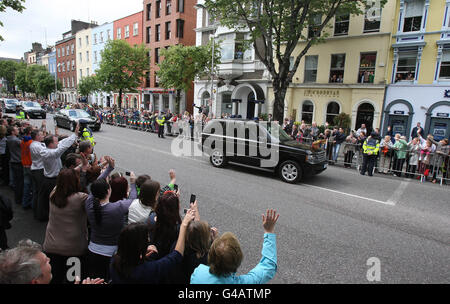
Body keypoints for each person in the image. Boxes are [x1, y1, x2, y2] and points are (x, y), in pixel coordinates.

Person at [190, 209, 279, 284]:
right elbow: (268, 267)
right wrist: (269, 231)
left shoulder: (198, 272)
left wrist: (215, 243)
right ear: (238, 261)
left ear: (210, 255)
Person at [109, 209, 196, 284]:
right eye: (146, 238)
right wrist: (183, 226)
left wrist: (141, 253)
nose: (148, 240)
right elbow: (176, 256)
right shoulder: (147, 271)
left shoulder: (115, 260)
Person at [85, 172, 137, 281]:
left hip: (92, 250)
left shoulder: (89, 203)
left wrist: (109, 169)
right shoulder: (118, 207)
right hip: (111, 254)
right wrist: (133, 183)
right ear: (108, 191)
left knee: (94, 280)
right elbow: (133, 199)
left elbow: (95, 184)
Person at [43, 168, 89, 284]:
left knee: (54, 278)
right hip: (74, 250)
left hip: (51, 246)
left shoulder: (53, 194)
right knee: (72, 279)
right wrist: (83, 168)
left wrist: (80, 167)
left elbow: (64, 178)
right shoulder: (81, 198)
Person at [37, 124, 79, 222]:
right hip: (51, 180)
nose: (58, 143)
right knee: (53, 200)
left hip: (53, 178)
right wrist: (73, 136)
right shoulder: (47, 152)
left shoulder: (51, 148)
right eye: (56, 141)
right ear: (51, 144)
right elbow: (60, 149)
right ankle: (51, 217)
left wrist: (74, 135)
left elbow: (62, 143)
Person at [6, 126, 23, 206]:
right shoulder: (15, 140)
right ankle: (19, 199)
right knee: (19, 182)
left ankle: (17, 198)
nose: (18, 130)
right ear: (12, 132)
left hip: (13, 161)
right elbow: (24, 143)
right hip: (18, 162)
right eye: (16, 130)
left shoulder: (9, 139)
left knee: (17, 181)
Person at [20, 126, 33, 210]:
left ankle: (24, 202)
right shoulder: (31, 142)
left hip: (24, 164)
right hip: (30, 165)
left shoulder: (22, 141)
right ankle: (30, 203)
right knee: (32, 186)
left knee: (26, 185)